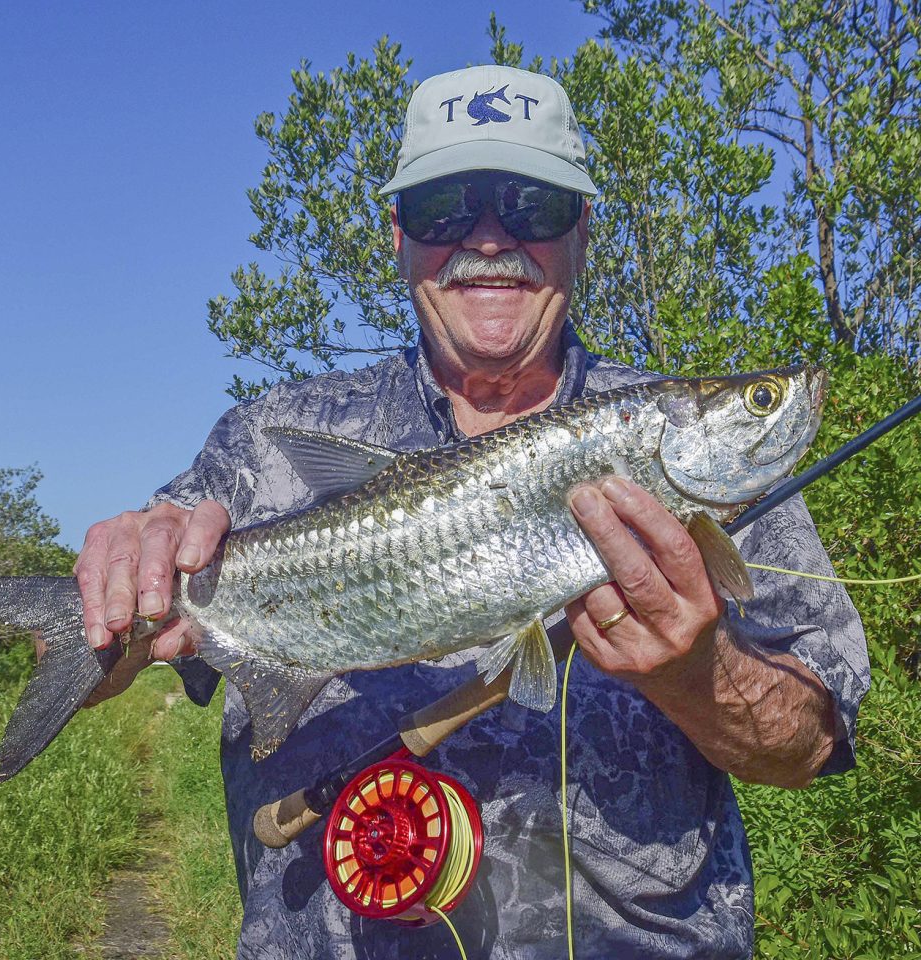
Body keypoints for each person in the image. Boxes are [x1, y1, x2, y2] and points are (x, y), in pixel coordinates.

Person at [75, 65, 869, 959]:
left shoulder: (700, 470)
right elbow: (103, 662)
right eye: (445, 207)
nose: (488, 239)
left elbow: (812, 743)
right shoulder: (267, 440)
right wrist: (105, 605)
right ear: (399, 234)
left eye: (531, 206)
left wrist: (697, 673)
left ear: (582, 230)